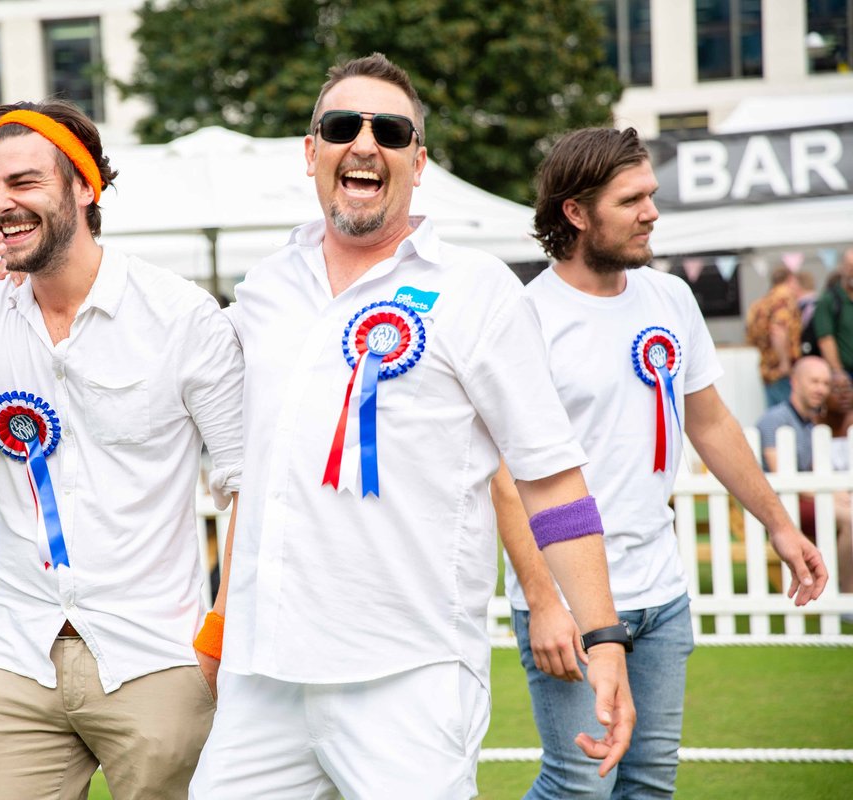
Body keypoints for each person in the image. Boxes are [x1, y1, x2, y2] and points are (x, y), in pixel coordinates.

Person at [192, 54, 633, 800]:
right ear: (312, 152)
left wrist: (605, 638)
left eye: (390, 131)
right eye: (341, 126)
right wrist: (222, 624)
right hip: (262, 676)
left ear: (418, 162)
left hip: (408, 675)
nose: (365, 143)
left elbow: (550, 474)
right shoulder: (265, 289)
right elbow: (262, 480)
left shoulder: (476, 290)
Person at [0, 99, 242, 800]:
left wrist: (217, 637)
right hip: (16, 657)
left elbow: (248, 487)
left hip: (158, 657)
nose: (0, 206)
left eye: (24, 184)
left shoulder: (179, 315)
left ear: (85, 187)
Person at [493, 126, 828, 800]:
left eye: (651, 194)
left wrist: (781, 526)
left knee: (648, 784)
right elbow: (505, 475)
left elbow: (711, 424)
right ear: (576, 213)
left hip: (662, 594)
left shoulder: (671, 298)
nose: (652, 211)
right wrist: (540, 603)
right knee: (579, 786)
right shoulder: (524, 316)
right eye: (632, 199)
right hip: (566, 599)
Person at [756, 356, 853, 598]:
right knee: (851, 520)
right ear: (795, 382)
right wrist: (832, 496)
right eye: (814, 382)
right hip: (784, 505)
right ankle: (846, 594)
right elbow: (782, 477)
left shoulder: (812, 424)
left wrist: (839, 495)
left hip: (810, 498)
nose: (821, 389)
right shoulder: (774, 420)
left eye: (824, 383)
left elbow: (814, 473)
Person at [746, 265, 803, 408]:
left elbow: (750, 336)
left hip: (767, 369)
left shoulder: (759, 304)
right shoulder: (784, 299)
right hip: (783, 369)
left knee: (775, 418)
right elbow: (777, 330)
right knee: (788, 417)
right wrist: (784, 363)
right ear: (790, 279)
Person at [814, 247, 853, 432]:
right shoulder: (830, 300)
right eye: (850, 267)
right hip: (846, 374)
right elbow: (825, 338)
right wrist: (838, 372)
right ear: (843, 268)